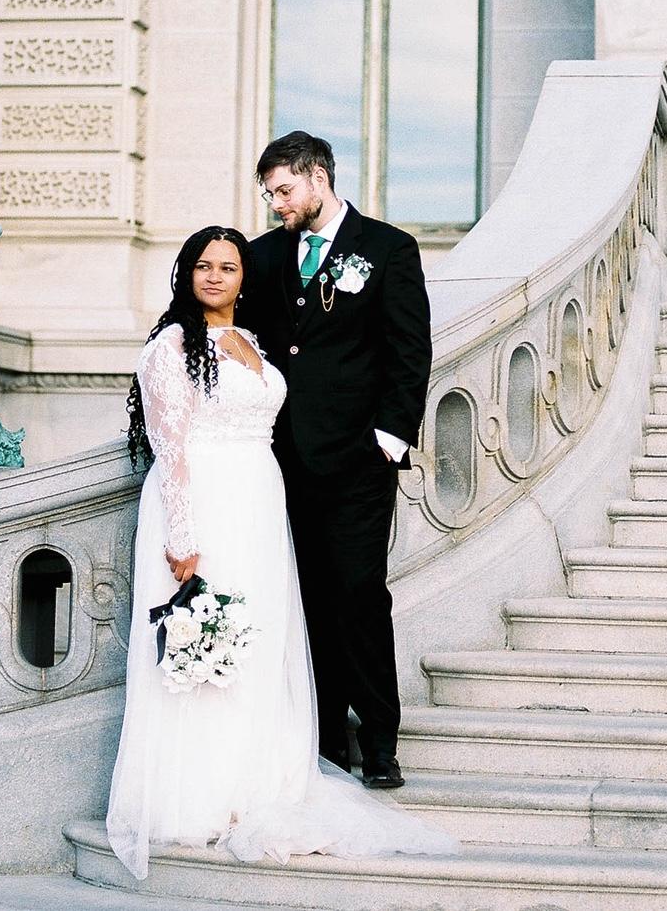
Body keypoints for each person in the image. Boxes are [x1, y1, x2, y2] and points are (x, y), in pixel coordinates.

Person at [104, 226, 453, 879]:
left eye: (228, 266)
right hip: (205, 504)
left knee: (259, 639)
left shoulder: (253, 341)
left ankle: (257, 772)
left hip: (260, 507)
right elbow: (170, 446)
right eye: (203, 266)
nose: (215, 276)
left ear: (245, 279)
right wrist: (181, 536)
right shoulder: (170, 346)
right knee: (208, 641)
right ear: (185, 274)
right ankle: (205, 789)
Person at [240, 132, 431, 790]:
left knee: (358, 595)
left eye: (284, 191)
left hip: (358, 462)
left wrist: (389, 439)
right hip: (282, 461)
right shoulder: (262, 256)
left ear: (318, 178)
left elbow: (409, 350)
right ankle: (324, 743)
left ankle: (379, 742)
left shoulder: (387, 248)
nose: (277, 204)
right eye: (270, 195)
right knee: (308, 601)